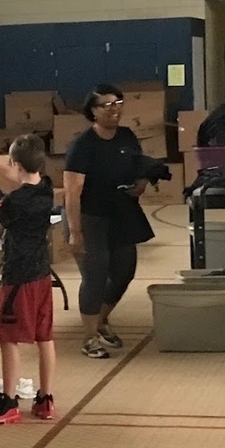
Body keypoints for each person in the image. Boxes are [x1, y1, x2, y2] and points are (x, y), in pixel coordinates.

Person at [63, 84, 154, 359]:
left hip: (122, 214)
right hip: (91, 218)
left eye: (118, 103)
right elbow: (72, 192)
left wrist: (141, 184)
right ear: (93, 111)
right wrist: (75, 232)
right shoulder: (82, 146)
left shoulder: (127, 137)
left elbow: (140, 168)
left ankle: (101, 319)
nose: (114, 109)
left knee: (124, 271)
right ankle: (89, 338)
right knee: (95, 276)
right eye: (107, 105)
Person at [0, 134, 57, 426]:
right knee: (44, 336)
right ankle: (45, 399)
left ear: (14, 163)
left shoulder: (14, 201)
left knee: (8, 339)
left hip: (18, 276)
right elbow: (19, 175)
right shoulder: (47, 189)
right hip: (42, 273)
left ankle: (9, 402)